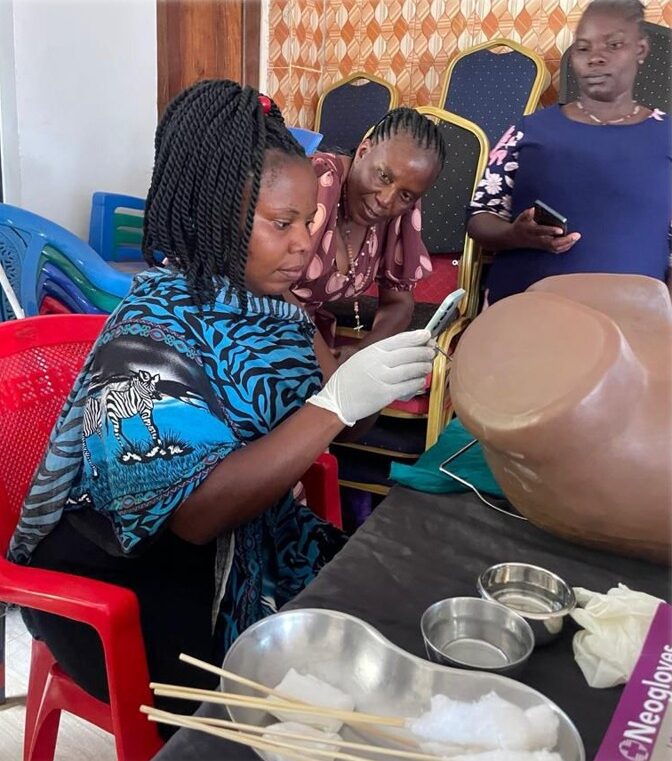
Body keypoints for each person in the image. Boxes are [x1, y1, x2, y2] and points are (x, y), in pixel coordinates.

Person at [9, 80, 434, 730]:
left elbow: (340, 419)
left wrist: (374, 377)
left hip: (241, 540)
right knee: (299, 707)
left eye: (309, 222)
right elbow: (195, 516)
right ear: (216, 211)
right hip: (127, 584)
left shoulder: (279, 314)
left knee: (387, 625)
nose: (303, 244)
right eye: (282, 224)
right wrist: (337, 401)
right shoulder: (148, 337)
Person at [467, 0, 671, 305]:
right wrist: (514, 235)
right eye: (583, 48)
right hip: (525, 313)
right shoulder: (527, 130)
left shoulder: (666, 135)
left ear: (639, 50)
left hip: (635, 323)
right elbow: (479, 217)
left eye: (613, 44)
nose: (596, 58)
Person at [291, 107, 446, 361]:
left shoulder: (400, 213)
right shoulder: (314, 182)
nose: (386, 200)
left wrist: (361, 355)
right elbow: (265, 287)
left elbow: (399, 303)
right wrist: (320, 359)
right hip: (254, 333)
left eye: (406, 195)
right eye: (384, 176)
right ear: (363, 151)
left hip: (306, 343)